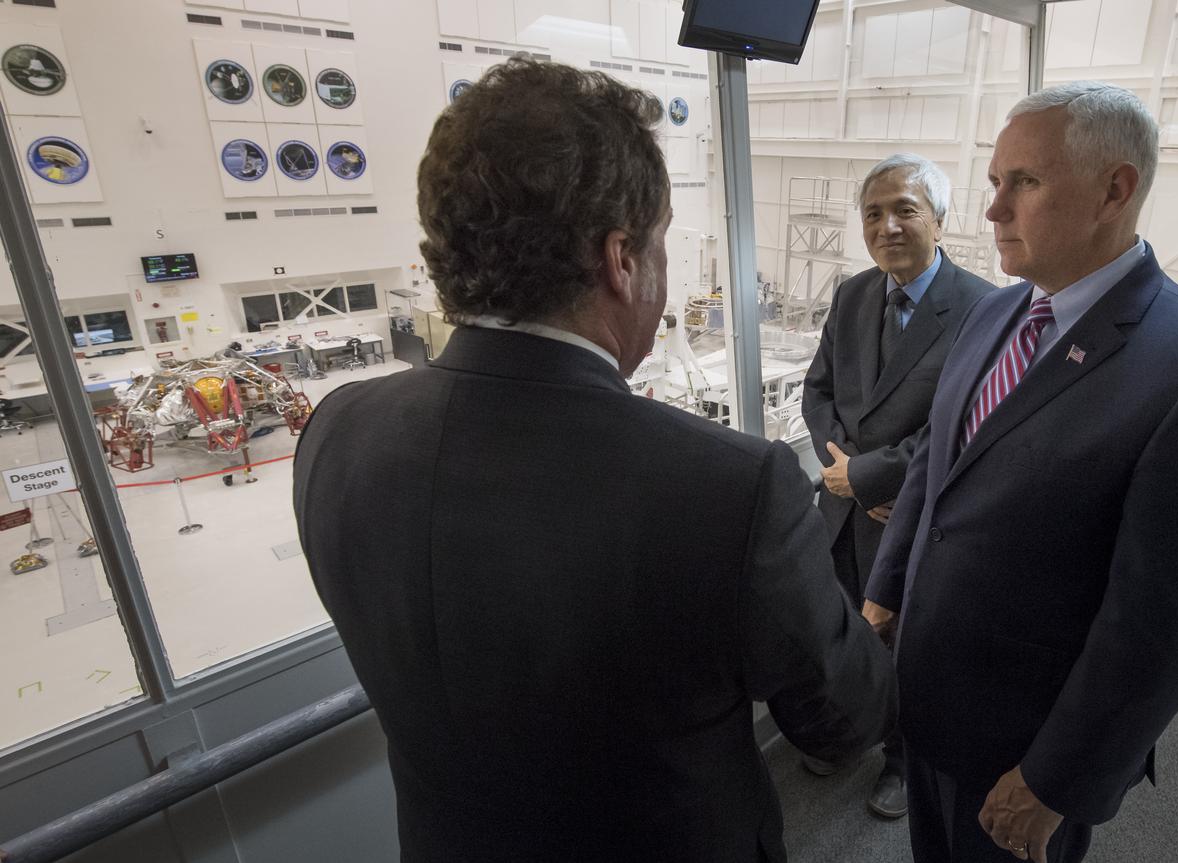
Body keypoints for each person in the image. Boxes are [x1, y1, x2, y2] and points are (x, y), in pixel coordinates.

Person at [293, 58, 896, 863]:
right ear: (621, 259)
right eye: (662, 244)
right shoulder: (727, 486)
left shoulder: (336, 430)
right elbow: (843, 719)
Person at [862, 81, 1178, 863]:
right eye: (994, 183)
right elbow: (937, 461)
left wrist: (1058, 780)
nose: (993, 210)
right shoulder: (998, 308)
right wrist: (885, 592)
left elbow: (1165, 625)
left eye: (1024, 182)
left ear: (1114, 190)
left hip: (1024, 748)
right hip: (927, 697)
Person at [801, 154, 994, 815]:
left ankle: (901, 760)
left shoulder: (983, 309)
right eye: (873, 213)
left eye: (905, 210)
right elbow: (819, 387)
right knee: (844, 634)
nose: (887, 226)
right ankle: (847, 732)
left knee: (909, 645)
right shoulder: (854, 293)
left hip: (909, 517)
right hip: (845, 510)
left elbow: (969, 421)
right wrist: (841, 469)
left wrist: (869, 474)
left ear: (939, 221)